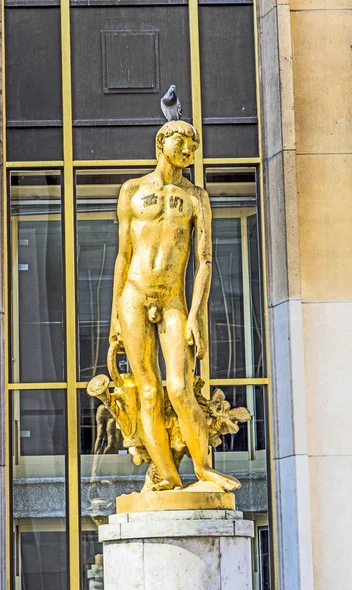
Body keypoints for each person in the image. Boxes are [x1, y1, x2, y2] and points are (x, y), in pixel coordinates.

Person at [109, 120, 240, 493]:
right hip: (133, 296)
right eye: (182, 143)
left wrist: (196, 314)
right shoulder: (131, 191)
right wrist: (113, 320)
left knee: (180, 388)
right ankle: (166, 473)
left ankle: (203, 469)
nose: (188, 152)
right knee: (148, 390)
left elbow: (205, 260)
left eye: (193, 148)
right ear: (161, 143)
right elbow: (123, 256)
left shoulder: (196, 197)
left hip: (171, 299)